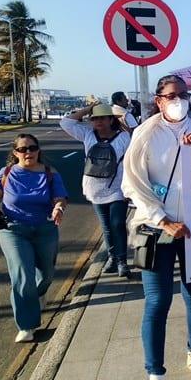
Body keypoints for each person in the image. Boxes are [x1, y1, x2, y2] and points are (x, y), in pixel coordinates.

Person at [121, 74, 191, 380]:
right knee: (157, 301)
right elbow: (133, 183)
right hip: (157, 229)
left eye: (183, 94)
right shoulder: (145, 133)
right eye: (171, 95)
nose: (178, 100)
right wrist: (163, 220)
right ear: (158, 100)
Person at [0, 134, 68, 343]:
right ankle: (27, 326)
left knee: (45, 274)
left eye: (32, 148)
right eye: (22, 149)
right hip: (13, 230)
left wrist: (58, 208)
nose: (27, 152)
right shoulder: (6, 173)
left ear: (38, 150)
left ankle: (38, 294)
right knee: (22, 275)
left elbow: (60, 198)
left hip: (45, 228)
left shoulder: (50, 174)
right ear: (15, 152)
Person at [60, 103, 132, 277]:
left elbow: (132, 161)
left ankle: (122, 261)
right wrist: (88, 109)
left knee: (117, 224)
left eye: (102, 117)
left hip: (117, 188)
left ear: (110, 119)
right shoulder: (87, 134)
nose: (98, 121)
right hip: (94, 188)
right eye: (94, 118)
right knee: (106, 227)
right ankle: (112, 258)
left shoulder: (124, 137)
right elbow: (66, 123)